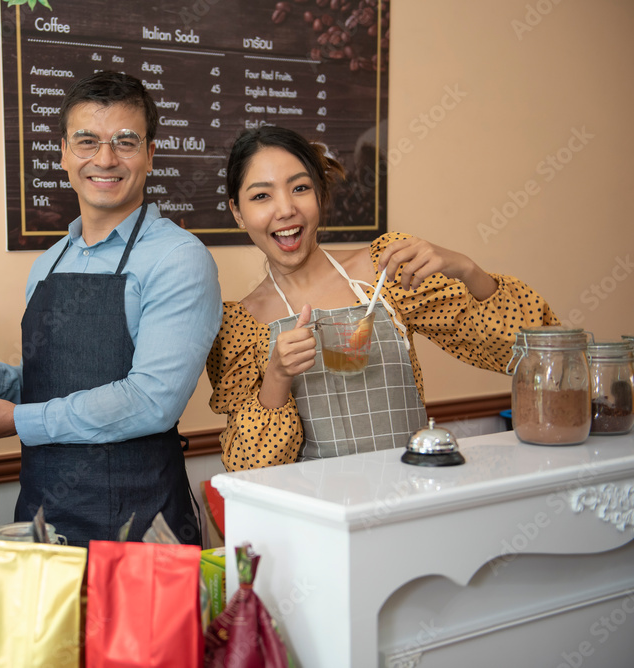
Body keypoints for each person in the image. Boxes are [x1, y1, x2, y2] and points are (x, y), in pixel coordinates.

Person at [0, 71, 221, 546]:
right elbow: (51, 386)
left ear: (151, 154)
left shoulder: (179, 257)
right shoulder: (51, 261)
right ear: (64, 154)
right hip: (43, 519)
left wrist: (16, 421)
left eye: (125, 142)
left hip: (141, 524)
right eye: (87, 141)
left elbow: (152, 400)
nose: (105, 159)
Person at [207, 125, 558, 471]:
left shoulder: (386, 270)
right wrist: (278, 376)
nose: (285, 209)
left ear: (320, 195)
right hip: (319, 518)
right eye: (261, 196)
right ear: (237, 212)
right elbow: (249, 468)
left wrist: (467, 269)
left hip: (411, 500)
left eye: (300, 188)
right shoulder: (239, 328)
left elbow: (529, 351)